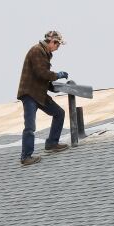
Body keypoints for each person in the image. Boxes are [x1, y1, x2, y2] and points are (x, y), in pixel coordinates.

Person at [17, 30, 70, 166]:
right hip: (30, 94)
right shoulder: (37, 51)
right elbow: (42, 73)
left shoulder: (45, 53)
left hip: (39, 93)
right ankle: (26, 157)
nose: (58, 48)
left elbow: (42, 78)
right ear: (52, 42)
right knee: (30, 126)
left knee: (59, 113)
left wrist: (54, 86)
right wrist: (57, 75)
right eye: (57, 45)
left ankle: (52, 143)